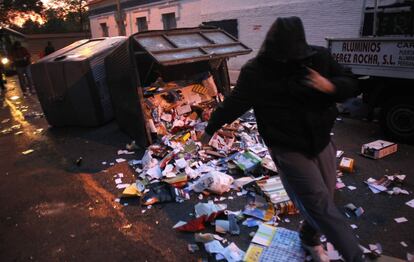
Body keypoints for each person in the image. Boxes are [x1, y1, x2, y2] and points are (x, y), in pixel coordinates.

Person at [200, 17, 365, 262]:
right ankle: (356, 257)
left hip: (320, 140)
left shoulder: (318, 59)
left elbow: (352, 83)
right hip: (287, 147)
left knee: (326, 198)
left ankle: (309, 238)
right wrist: (209, 129)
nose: (287, 62)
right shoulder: (256, 71)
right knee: (320, 204)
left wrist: (329, 86)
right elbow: (234, 103)